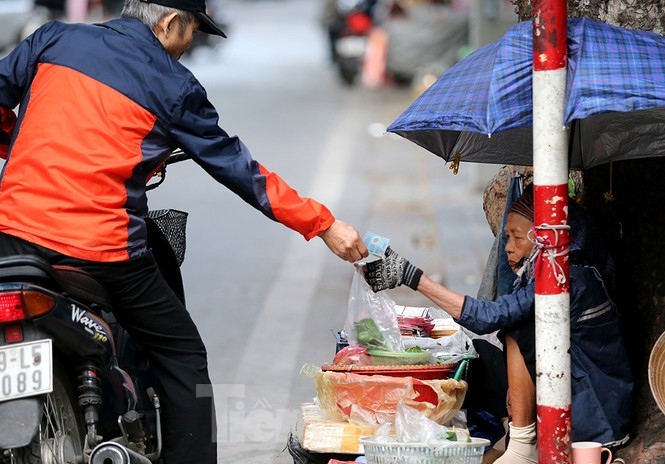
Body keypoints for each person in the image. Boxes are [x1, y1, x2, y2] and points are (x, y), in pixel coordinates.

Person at [0, 2, 369, 463]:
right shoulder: (174, 86)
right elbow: (243, 173)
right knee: (182, 357)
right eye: (193, 29)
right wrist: (324, 224)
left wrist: (18, 141)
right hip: (101, 252)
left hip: (12, 233)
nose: (191, 42)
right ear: (170, 21)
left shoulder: (52, 39)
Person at [364, 185, 633, 464]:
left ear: (543, 240)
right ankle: (511, 433)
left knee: (518, 329)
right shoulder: (543, 273)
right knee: (476, 356)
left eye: (517, 237)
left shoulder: (568, 278)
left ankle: (523, 446)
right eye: (508, 236)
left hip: (595, 416)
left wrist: (412, 276)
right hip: (564, 383)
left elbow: (488, 317)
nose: (508, 247)